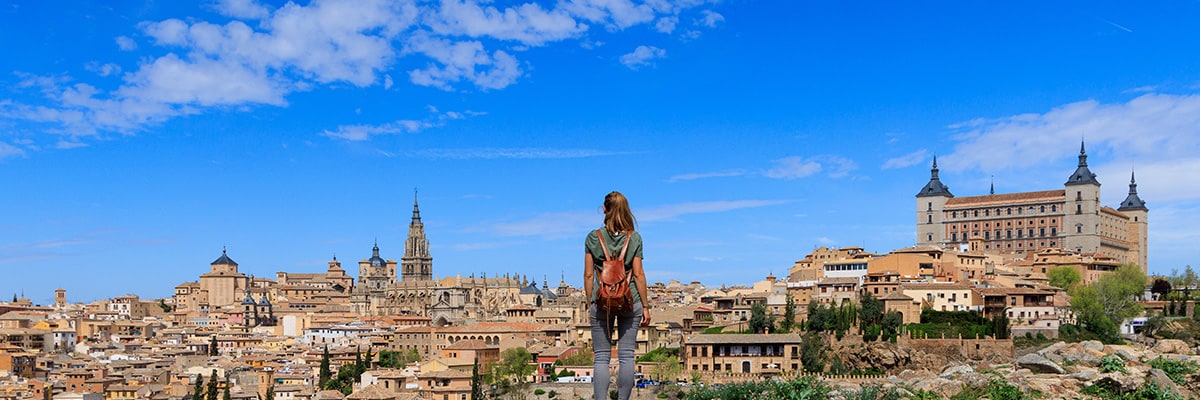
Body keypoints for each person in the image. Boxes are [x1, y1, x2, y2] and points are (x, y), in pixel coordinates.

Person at [584, 191, 650, 400]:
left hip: (601, 300)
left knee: (601, 357)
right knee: (627, 355)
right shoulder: (635, 238)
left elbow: (587, 274)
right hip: (630, 301)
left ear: (604, 209)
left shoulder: (593, 238)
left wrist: (590, 302)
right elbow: (638, 274)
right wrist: (646, 306)